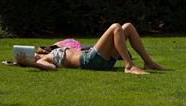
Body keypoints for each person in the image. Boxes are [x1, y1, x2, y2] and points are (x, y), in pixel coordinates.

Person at [16, 23, 164, 75]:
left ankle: (148, 62)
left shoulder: (47, 53)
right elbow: (51, 69)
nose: (35, 53)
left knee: (128, 27)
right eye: (32, 54)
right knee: (115, 27)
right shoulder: (45, 60)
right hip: (89, 61)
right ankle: (129, 65)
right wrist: (29, 63)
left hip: (99, 60)